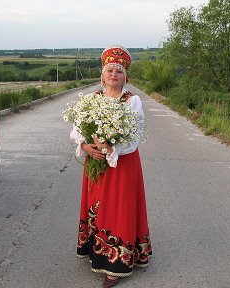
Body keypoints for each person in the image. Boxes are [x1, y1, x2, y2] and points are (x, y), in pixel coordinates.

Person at [70, 45, 152, 288]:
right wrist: (85, 146)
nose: (113, 74)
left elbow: (133, 137)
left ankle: (116, 265)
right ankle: (96, 252)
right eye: (109, 70)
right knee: (97, 207)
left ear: (125, 76)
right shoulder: (91, 99)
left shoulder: (132, 101)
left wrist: (109, 148)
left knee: (119, 209)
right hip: (95, 161)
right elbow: (76, 129)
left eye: (118, 71)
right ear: (102, 74)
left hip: (122, 164)